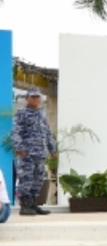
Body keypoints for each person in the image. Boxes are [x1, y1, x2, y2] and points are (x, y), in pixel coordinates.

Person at [11, 88, 56, 216]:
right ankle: (24, 207)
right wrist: (19, 148)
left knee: (38, 181)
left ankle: (33, 205)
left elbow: (47, 133)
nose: (36, 99)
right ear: (27, 99)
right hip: (27, 154)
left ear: (41, 99)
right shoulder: (22, 113)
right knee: (26, 180)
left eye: (38, 97)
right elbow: (15, 132)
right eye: (33, 97)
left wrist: (53, 150)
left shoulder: (42, 114)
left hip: (41, 155)